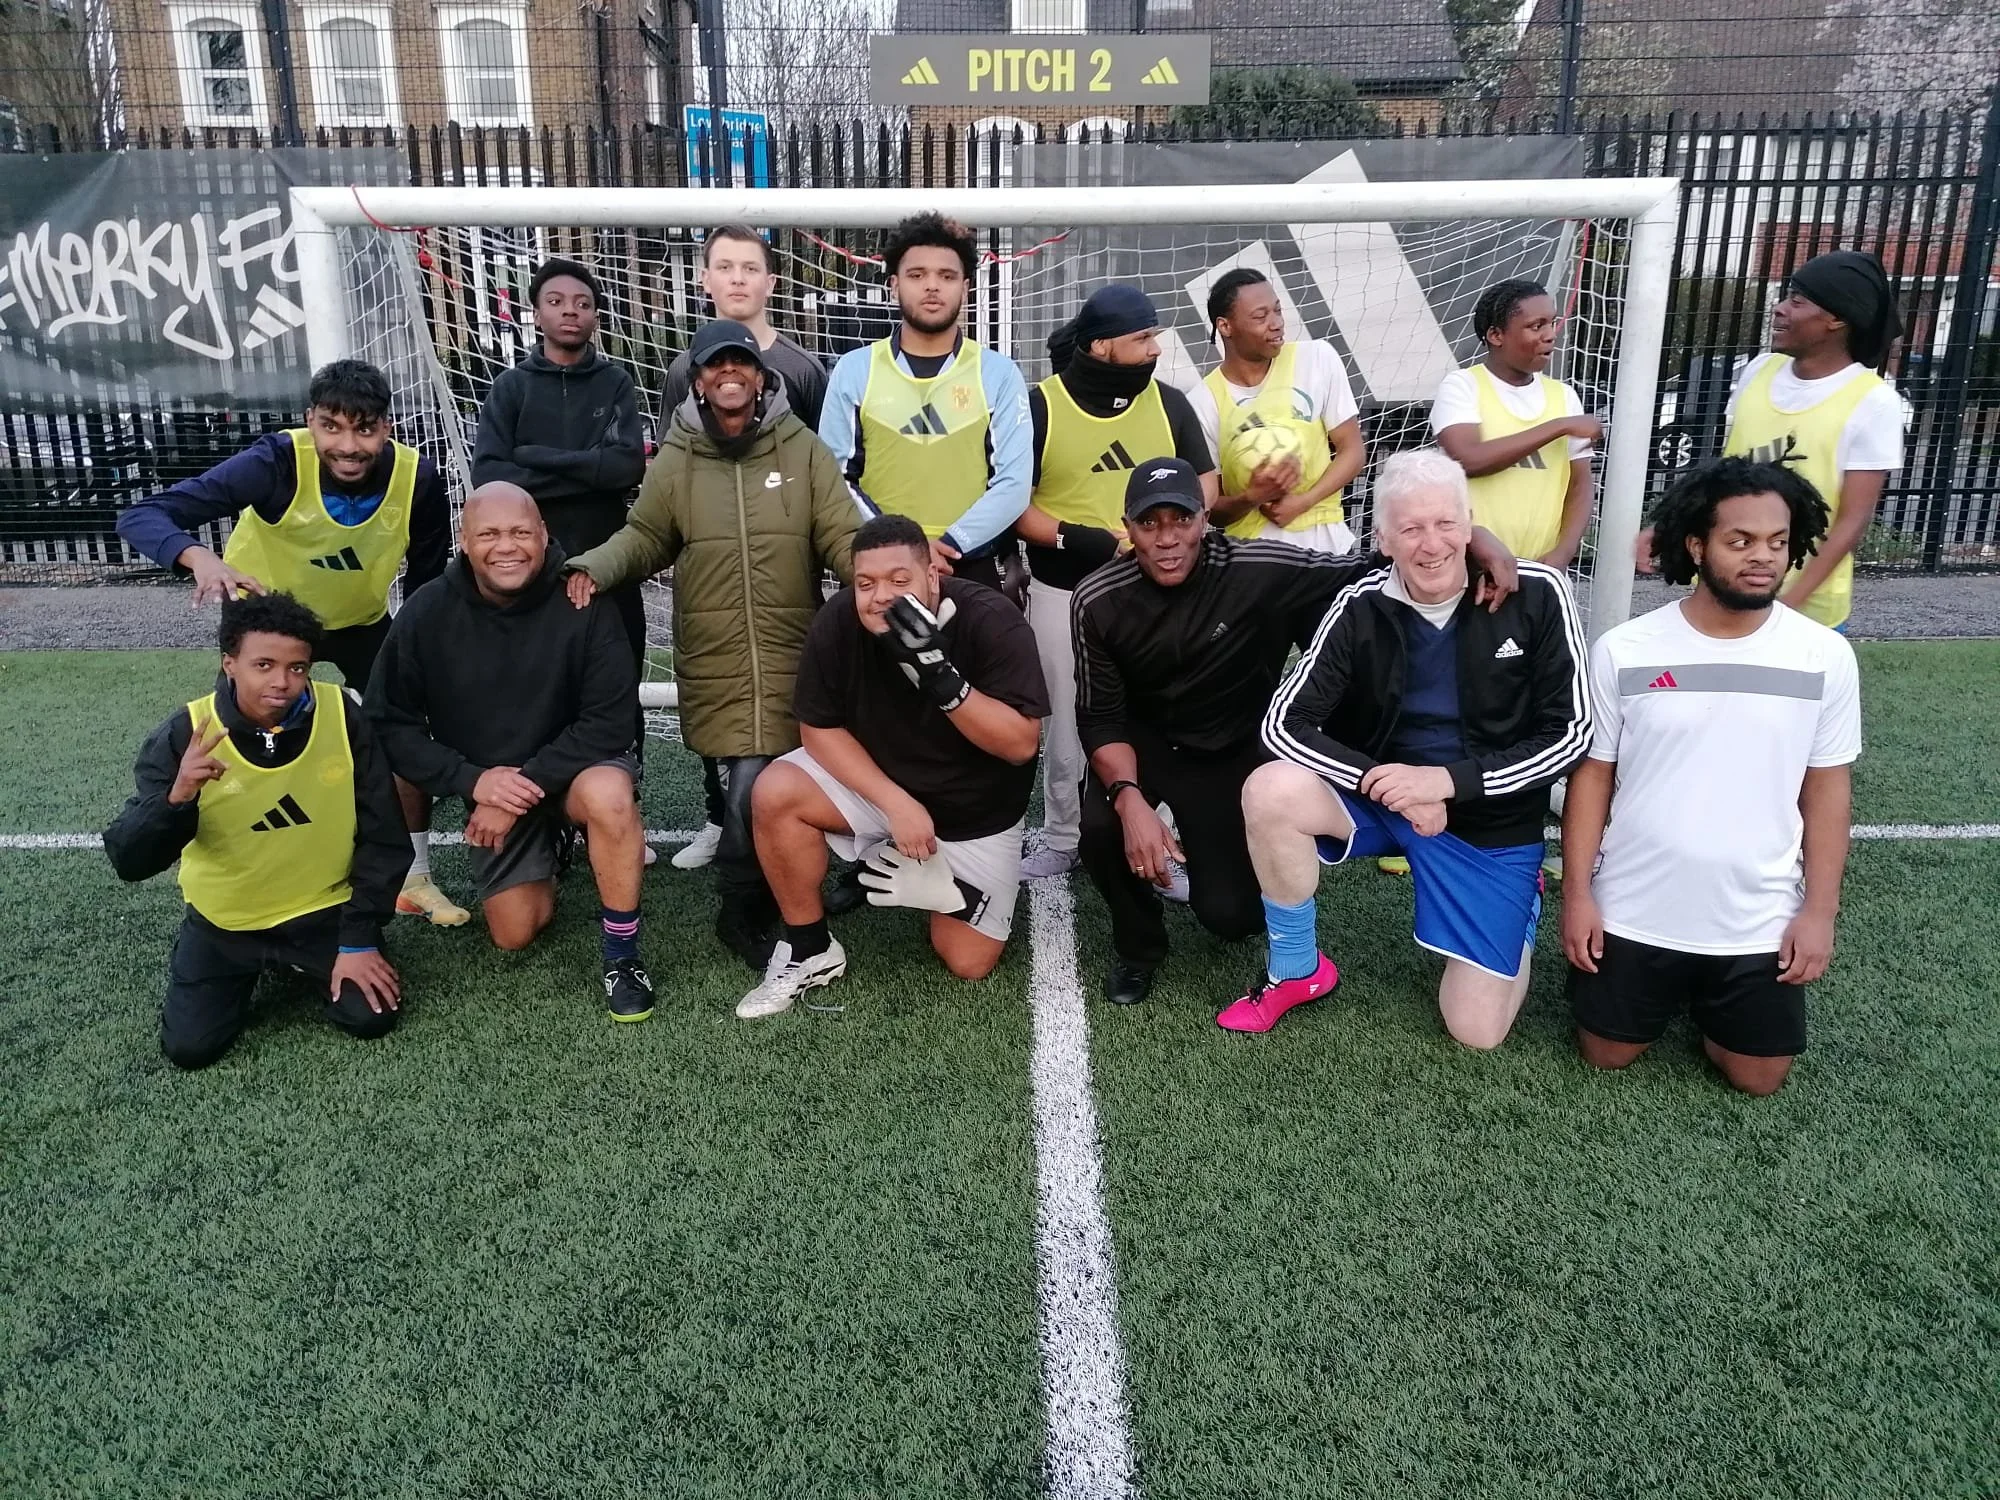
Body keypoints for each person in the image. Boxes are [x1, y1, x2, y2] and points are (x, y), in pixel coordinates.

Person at [1072, 457, 1520, 1006]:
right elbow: (1100, 717)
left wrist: (1478, 540)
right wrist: (1129, 800)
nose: (1167, 538)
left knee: (1234, 917)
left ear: (1205, 519)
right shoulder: (1097, 599)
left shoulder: (1257, 567)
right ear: (1128, 528)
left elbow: (1367, 565)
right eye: (1149, 523)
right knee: (1100, 828)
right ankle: (1138, 948)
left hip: (1233, 748)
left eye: (1181, 519)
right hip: (1143, 749)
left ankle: (1213, 877)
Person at [1237, 448, 1589, 1042]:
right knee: (1270, 789)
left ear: (1471, 524)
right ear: (1382, 539)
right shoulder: (1359, 606)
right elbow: (1284, 723)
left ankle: (1519, 904)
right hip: (1389, 801)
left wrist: (1447, 784)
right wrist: (1387, 785)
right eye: (1411, 529)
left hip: (1489, 823)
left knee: (1476, 1031)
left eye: (1446, 523)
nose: (1431, 545)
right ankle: (1296, 968)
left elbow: (1572, 733)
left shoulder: (1537, 592)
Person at [114, 358, 465, 926]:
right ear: (310, 421)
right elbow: (143, 514)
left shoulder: (417, 478)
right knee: (235, 741)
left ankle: (414, 877)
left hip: (359, 623)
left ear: (387, 427)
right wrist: (198, 557)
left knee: (404, 731)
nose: (347, 445)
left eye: (364, 429)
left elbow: (427, 582)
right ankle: (241, 871)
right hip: (265, 626)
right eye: (331, 426)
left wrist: (420, 658)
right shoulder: (275, 462)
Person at [564, 319, 859, 968]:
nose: (729, 373)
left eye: (740, 362)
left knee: (774, 784)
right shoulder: (677, 458)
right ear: (697, 379)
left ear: (760, 376)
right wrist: (594, 567)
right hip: (716, 653)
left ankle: (774, 896)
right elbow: (645, 536)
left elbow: (840, 532)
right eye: (714, 364)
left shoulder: (802, 449)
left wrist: (877, 574)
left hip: (792, 651)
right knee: (749, 781)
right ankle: (740, 907)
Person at [1564, 458, 1857, 1096]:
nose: (1764, 557)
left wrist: (1820, 912)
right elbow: (1593, 776)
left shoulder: (1824, 656)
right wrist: (1579, 895)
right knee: (1606, 1054)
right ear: (1697, 546)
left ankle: (1712, 1002)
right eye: (1740, 541)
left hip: (1757, 916)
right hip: (1635, 907)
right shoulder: (1626, 649)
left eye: (1777, 542)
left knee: (1759, 1078)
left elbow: (1828, 789)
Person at [735, 513, 1049, 1020]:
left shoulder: (991, 618)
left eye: (899, 580)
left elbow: (1019, 745)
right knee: (775, 790)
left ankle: (948, 886)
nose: (880, 596)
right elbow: (817, 729)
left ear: (933, 576)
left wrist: (940, 676)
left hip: (974, 811)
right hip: (883, 786)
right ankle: (809, 948)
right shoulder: (838, 620)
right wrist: (895, 803)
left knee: (969, 961)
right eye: (865, 583)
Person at [367, 483, 655, 1021]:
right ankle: (551, 847)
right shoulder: (428, 610)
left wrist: (520, 789)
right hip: (492, 783)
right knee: (514, 933)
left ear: (543, 535)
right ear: (464, 540)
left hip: (571, 773)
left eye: (521, 532)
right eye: (490, 534)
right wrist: (472, 781)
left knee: (609, 794)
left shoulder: (582, 600)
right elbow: (389, 722)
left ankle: (622, 954)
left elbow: (609, 723)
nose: (507, 546)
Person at [104, 593, 409, 1069]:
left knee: (371, 1018)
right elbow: (130, 860)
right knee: (190, 1050)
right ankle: (221, 962)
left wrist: (358, 938)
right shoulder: (186, 734)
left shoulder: (343, 716)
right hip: (226, 923)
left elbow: (384, 834)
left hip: (322, 912)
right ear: (230, 664)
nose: (281, 682)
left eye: (297, 668)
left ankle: (314, 956)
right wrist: (177, 797)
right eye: (263, 665)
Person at [1014, 284, 1218, 882]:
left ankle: (1162, 836)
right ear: (1102, 345)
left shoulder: (1170, 404)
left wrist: (1166, 532)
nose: (1155, 348)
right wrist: (1092, 541)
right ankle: (1062, 837)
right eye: (1143, 337)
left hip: (1156, 593)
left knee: (1160, 716)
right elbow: (1017, 507)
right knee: (1067, 722)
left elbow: (1206, 484)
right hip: (1064, 591)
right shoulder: (1041, 405)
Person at [657, 224, 833, 873]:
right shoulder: (685, 369)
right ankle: (718, 817)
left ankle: (790, 817)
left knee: (788, 695)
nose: (737, 277)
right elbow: (673, 465)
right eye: (725, 266)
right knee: (716, 685)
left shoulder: (804, 369)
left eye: (749, 267)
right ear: (705, 279)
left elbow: (823, 468)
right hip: (712, 568)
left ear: (770, 281)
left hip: (783, 570)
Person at [819, 212, 1033, 594]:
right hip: (881, 566)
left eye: (946, 276)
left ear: (965, 288)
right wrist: (906, 549)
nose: (932, 286)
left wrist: (950, 543)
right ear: (893, 285)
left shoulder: (999, 374)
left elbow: (1014, 485)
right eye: (917, 275)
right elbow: (836, 477)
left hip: (967, 565)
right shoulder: (854, 371)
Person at [471, 256, 648, 668]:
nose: (570, 311)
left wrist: (533, 457)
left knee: (618, 679)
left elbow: (626, 467)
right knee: (540, 683)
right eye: (556, 301)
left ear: (595, 319)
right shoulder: (510, 388)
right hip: (532, 567)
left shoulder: (615, 383)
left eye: (583, 304)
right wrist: (591, 472)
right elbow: (490, 476)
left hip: (607, 562)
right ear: (536, 315)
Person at [1718, 249, 1906, 631]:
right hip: (1726, 587)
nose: (1780, 308)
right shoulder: (1759, 370)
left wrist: (1787, 605)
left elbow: (1852, 520)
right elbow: (1724, 472)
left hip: (1805, 611)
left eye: (1797, 301)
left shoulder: (1874, 402)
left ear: (1837, 319)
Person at [1186, 268, 1365, 554]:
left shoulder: (1317, 359)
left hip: (1328, 553)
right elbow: (1211, 508)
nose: (1277, 324)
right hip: (1252, 558)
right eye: (1261, 316)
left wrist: (1303, 502)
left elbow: (1353, 452)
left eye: (1278, 311)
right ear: (1225, 326)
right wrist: (1252, 497)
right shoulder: (1202, 401)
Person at [1430, 278, 1599, 568]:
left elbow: (1580, 484)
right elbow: (1468, 460)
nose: (1550, 335)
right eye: (1536, 326)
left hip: (1543, 565)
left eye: (1552, 323)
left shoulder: (1564, 396)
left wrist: (1564, 550)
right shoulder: (1462, 386)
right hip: (1471, 565)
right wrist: (1559, 426)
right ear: (1496, 335)